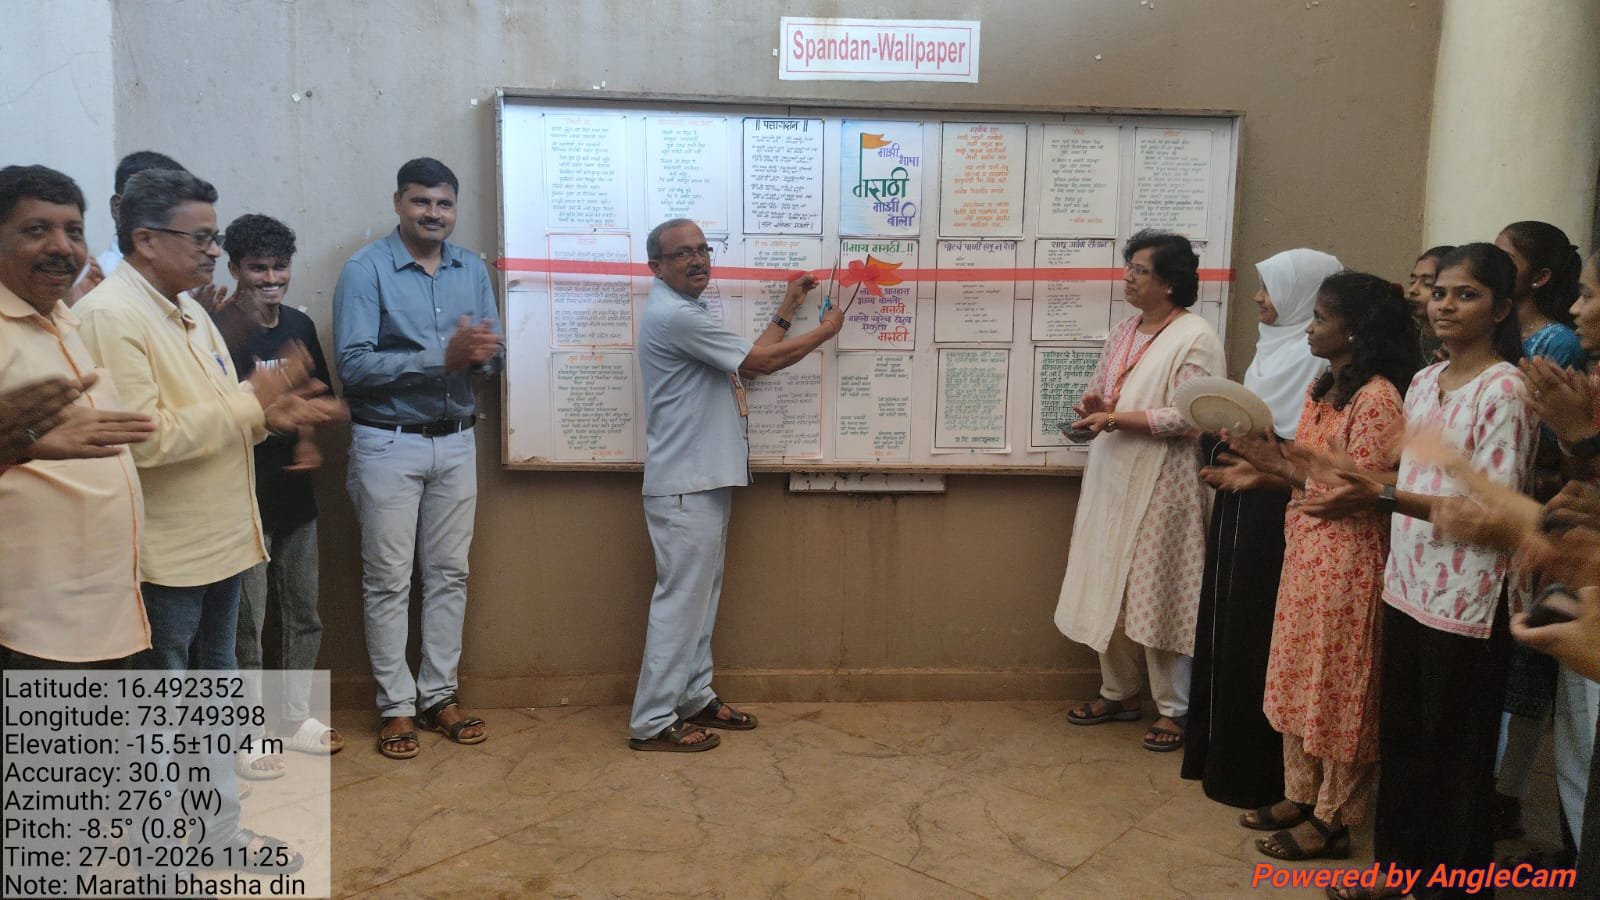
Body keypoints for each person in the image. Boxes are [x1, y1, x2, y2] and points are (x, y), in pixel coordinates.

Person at [1306, 243, 1533, 900]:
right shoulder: (1425, 381)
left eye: (1467, 295)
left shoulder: (1505, 389)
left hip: (1468, 600)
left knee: (1455, 755)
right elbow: (1410, 478)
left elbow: (1493, 512)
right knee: (1404, 742)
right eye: (1440, 293)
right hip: (1407, 586)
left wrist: (1381, 495)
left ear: (1500, 309)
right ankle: (1397, 873)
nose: (1446, 306)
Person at [74, 169, 336, 673]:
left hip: (222, 542)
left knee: (219, 673)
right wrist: (255, 402)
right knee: (164, 694)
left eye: (214, 238)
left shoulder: (189, 312)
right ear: (145, 240)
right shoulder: (109, 315)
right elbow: (145, 441)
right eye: (201, 238)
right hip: (168, 558)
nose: (214, 251)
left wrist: (270, 415)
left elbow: (222, 406)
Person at [1223, 273, 1419, 861]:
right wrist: (1266, 463)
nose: (1309, 328)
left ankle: (1334, 819)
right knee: (1298, 677)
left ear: (1353, 331)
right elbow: (1310, 468)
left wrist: (1282, 468)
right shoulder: (1323, 385)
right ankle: (1301, 794)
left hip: (1350, 562)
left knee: (1339, 691)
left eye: (1320, 319)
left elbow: (1356, 490)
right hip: (1307, 554)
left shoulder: (1377, 398)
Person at [628, 217, 844, 751]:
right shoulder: (676, 315)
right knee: (682, 604)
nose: (697, 260)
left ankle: (692, 695)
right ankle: (651, 720)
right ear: (656, 266)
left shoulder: (689, 312)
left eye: (703, 249)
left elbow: (743, 366)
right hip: (687, 483)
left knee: (700, 601)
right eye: (682, 253)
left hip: (704, 479)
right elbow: (761, 363)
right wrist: (824, 331)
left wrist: (788, 309)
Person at [333, 157, 503, 759]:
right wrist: (442, 357)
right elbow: (352, 366)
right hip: (387, 441)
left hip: (456, 439)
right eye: (421, 202)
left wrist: (483, 356)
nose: (434, 213)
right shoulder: (365, 269)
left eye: (444, 203)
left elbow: (491, 356)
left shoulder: (471, 268)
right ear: (398, 204)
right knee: (388, 579)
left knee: (450, 574)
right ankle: (395, 708)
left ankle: (439, 696)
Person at [1055, 230, 1226, 753]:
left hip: (1162, 482)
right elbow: (1107, 394)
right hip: (1111, 476)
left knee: (1158, 593)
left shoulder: (1195, 336)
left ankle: (1174, 709)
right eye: (1128, 266)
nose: (1127, 277)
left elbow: (1193, 415)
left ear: (1170, 282)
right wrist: (1096, 411)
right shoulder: (1124, 330)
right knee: (1106, 583)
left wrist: (1115, 418)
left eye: (1139, 270)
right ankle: (1119, 692)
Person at [1184, 247, 1340, 807]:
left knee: (1260, 633)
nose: (1258, 299)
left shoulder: (1319, 366)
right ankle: (1219, 757)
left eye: (1271, 289)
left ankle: (1260, 775)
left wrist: (1263, 465)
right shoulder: (1270, 350)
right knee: (1228, 623)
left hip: (1282, 514)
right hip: (1239, 504)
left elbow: (1305, 454)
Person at [0, 164, 155, 667]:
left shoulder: (63, 319)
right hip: (31, 628)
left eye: (74, 231)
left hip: (103, 618)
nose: (62, 247)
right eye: (36, 229)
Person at [216, 214, 343, 778]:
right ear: (234, 268)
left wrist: (309, 439)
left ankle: (294, 718)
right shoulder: (216, 330)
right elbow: (215, 416)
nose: (271, 278)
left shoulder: (299, 324)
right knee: (248, 623)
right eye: (257, 268)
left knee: (301, 611)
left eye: (279, 266)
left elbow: (315, 396)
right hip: (242, 499)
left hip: (295, 495)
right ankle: (248, 730)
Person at [1490, 220, 1587, 844]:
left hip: (1543, 513)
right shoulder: (1509, 336)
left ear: (1541, 275)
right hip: (1517, 507)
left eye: (1508, 257)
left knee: (1530, 665)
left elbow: (1552, 444)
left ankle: (1506, 794)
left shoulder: (1553, 341)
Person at [1405, 245, 1455, 363]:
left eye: (1427, 284)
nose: (1412, 290)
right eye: (1412, 282)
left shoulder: (1462, 344)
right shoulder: (1403, 336)